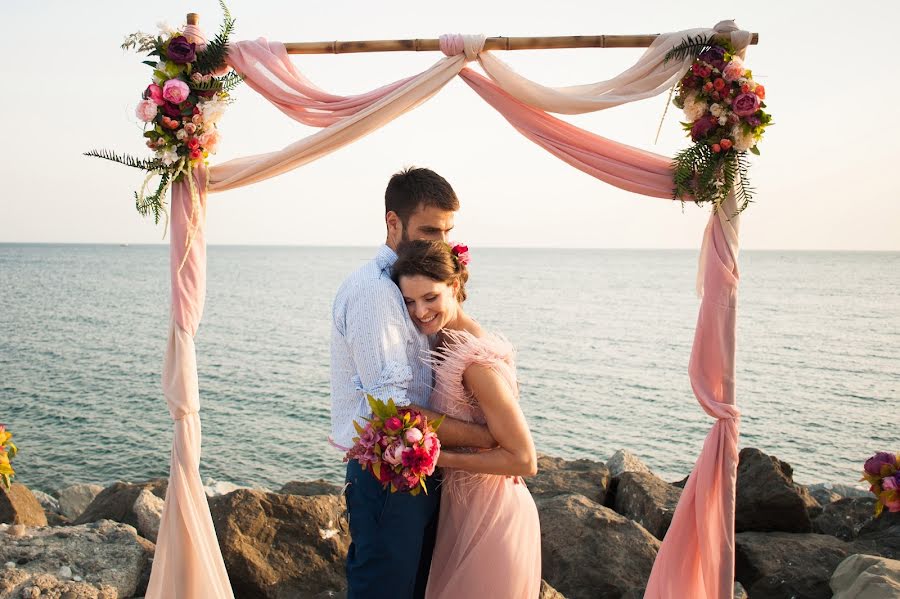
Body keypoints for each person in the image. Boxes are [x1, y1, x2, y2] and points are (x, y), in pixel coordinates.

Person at [330, 167, 496, 599]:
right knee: (383, 589)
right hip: (387, 472)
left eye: (446, 231)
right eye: (428, 230)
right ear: (393, 222)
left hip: (418, 465)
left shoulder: (411, 284)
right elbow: (395, 409)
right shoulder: (374, 292)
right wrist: (488, 436)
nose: (440, 243)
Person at [392, 239, 542, 599]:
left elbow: (524, 459)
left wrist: (437, 458)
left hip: (493, 519)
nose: (420, 312)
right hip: (464, 514)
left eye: (430, 298)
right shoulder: (443, 339)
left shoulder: (473, 361)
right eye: (409, 302)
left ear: (454, 286)